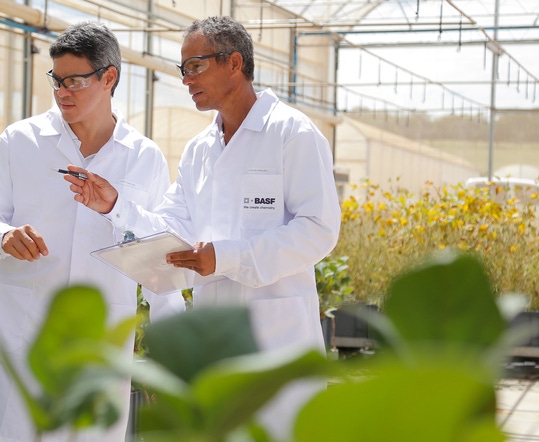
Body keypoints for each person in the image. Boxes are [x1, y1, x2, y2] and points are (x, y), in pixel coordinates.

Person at [63, 16, 341, 439]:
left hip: (277, 342)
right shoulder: (199, 151)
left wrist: (226, 257)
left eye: (195, 66)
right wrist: (116, 206)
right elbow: (171, 226)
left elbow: (319, 229)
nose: (186, 79)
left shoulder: (291, 133)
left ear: (234, 63)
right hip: (214, 344)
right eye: (183, 69)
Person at [0, 21, 183, 442]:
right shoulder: (21, 141)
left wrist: (170, 351)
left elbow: (160, 254)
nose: (63, 92)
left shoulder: (144, 157)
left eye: (75, 81)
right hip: (24, 335)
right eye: (57, 80)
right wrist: (2, 236)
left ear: (109, 78)